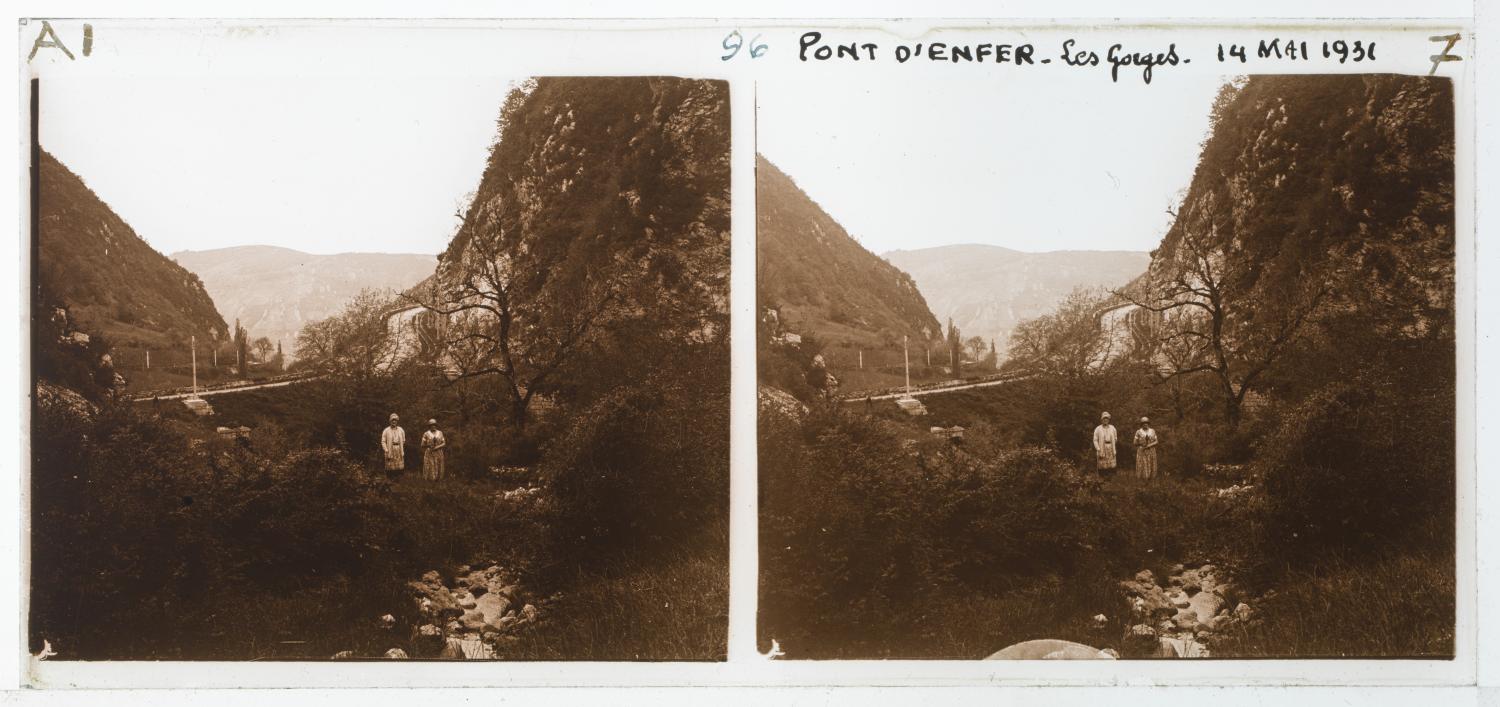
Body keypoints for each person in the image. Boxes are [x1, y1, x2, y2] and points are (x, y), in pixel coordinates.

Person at [1093, 412, 1118, 476]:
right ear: (1102, 420)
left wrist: (1113, 443)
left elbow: (1115, 438)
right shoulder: (1098, 429)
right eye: (1104, 419)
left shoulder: (1112, 428)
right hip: (1102, 447)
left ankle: (1111, 478)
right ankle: (1103, 478)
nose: (1105, 420)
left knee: (1111, 463)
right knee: (1102, 463)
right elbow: (1095, 440)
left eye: (1107, 419)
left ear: (1109, 420)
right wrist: (1098, 448)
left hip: (1110, 447)